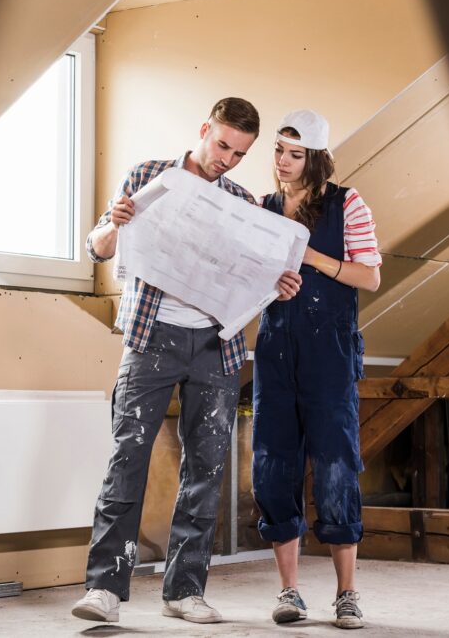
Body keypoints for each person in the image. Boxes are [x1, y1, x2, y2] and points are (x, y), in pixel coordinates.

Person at [71, 97, 302, 625]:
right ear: (204, 130)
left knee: (207, 466)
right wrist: (115, 224)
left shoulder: (242, 201)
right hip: (150, 335)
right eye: (222, 145)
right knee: (127, 459)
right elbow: (100, 247)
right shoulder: (150, 175)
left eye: (240, 153)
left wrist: (280, 286)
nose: (227, 159)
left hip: (216, 345)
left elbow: (251, 273)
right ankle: (104, 588)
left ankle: (184, 590)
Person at [251, 109, 381, 629]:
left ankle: (347, 593)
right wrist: (270, 283)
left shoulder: (347, 203)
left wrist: (312, 258)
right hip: (275, 352)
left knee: (335, 466)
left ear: (317, 157)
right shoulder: (262, 208)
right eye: (279, 150)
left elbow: (369, 275)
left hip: (329, 354)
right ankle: (289, 591)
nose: (283, 162)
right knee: (273, 465)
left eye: (295, 153)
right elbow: (250, 277)